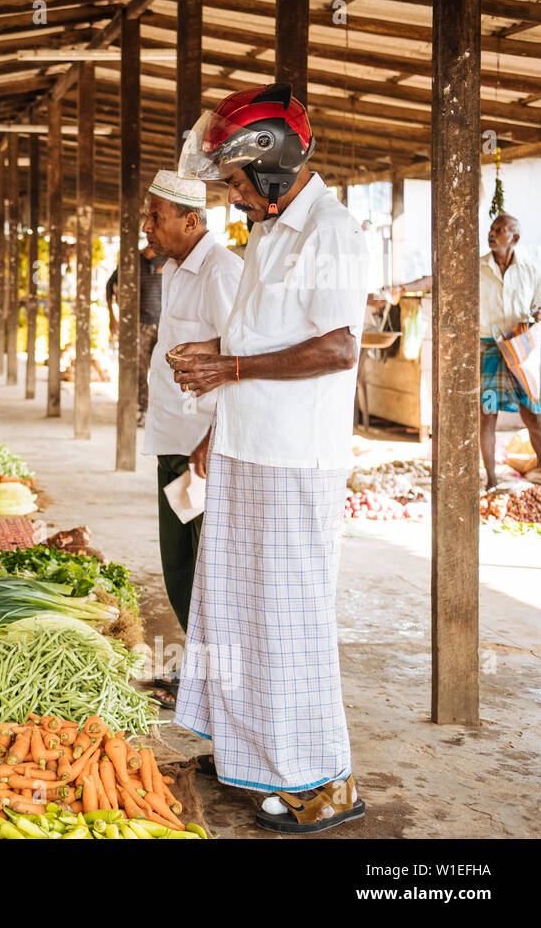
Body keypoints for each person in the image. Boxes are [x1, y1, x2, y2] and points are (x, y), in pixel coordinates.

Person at [169, 83, 369, 834]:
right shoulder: (273, 234)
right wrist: (217, 356)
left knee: (296, 622)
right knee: (246, 617)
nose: (232, 193)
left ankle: (331, 783)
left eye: (237, 179)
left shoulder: (332, 233)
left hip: (295, 462)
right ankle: (269, 762)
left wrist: (234, 370)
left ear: (275, 168)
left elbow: (338, 345)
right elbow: (264, 338)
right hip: (253, 451)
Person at [138, 170, 241, 707]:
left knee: (205, 568)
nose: (147, 225)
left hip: (201, 450)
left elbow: (239, 361)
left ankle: (216, 684)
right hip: (174, 442)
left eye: (156, 216)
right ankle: (201, 673)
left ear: (192, 219)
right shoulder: (178, 268)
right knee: (179, 564)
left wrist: (213, 439)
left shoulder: (221, 272)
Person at [386, 214, 541, 489]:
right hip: (489, 348)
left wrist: (535, 318)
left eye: (499, 230)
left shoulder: (530, 269)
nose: (492, 233)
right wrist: (402, 288)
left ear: (514, 238)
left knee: (533, 415)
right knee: (488, 412)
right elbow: (439, 277)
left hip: (519, 350)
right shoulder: (476, 267)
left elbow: (539, 305)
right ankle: (491, 481)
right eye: (492, 228)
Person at [107, 245, 166, 423]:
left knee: (163, 368)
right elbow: (110, 287)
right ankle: (143, 408)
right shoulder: (131, 262)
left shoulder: (167, 260)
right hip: (139, 323)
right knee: (140, 368)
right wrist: (112, 317)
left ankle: (159, 409)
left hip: (163, 323)